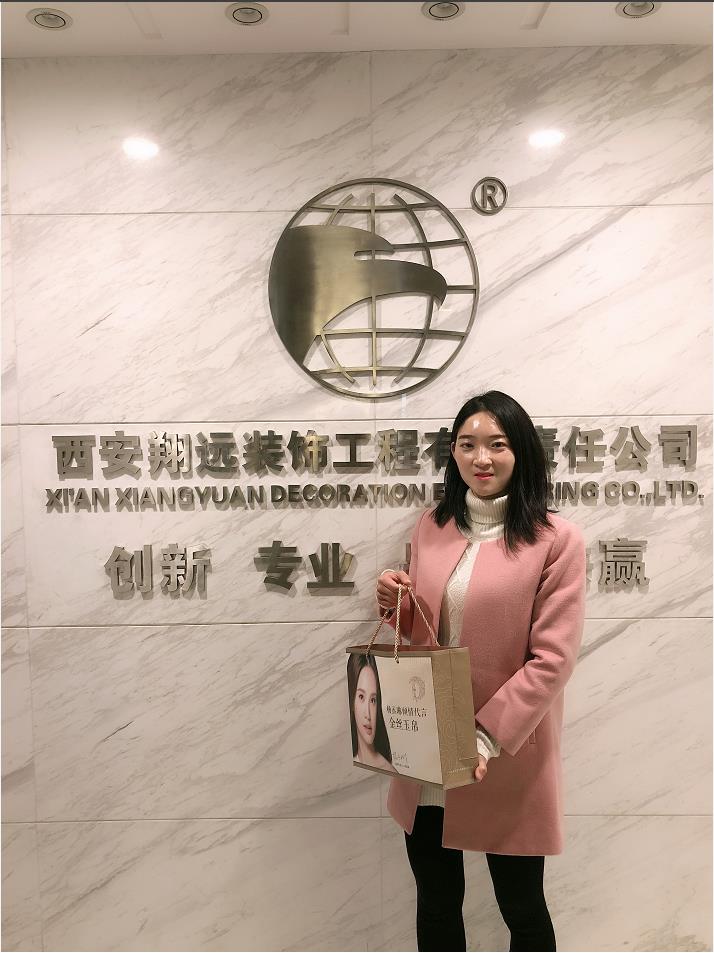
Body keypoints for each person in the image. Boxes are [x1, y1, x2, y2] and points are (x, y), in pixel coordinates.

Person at [375, 390, 586, 953]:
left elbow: (553, 657)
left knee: (522, 908)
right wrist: (394, 600)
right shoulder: (433, 524)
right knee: (436, 903)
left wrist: (484, 736)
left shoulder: (555, 540)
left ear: (522, 452)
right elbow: (422, 632)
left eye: (497, 444)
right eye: (467, 445)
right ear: (453, 454)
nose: (481, 458)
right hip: (429, 748)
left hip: (504, 752)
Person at [347, 652, 397, 773]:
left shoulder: (389, 770)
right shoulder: (350, 758)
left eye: (373, 700)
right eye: (361, 697)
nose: (368, 715)